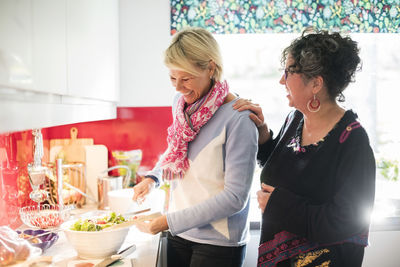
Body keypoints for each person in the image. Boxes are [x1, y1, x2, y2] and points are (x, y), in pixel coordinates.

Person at [233, 29, 376, 266]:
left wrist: (278, 205)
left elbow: (347, 220)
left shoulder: (353, 141)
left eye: (289, 72)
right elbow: (287, 171)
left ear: (316, 84)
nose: (281, 80)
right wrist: (263, 134)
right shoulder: (295, 120)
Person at [132, 27, 258, 267]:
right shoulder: (181, 105)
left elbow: (235, 198)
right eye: (172, 78)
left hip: (218, 243)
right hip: (180, 232)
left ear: (211, 68)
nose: (178, 88)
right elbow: (176, 149)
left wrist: (168, 221)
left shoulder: (239, 118)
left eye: (186, 78)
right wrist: (153, 178)